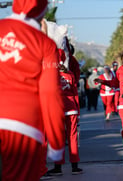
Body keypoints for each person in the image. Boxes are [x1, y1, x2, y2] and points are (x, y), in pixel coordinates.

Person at [0, 1, 65, 180]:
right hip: (22, 125)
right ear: (42, 10)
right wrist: (57, 143)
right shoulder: (45, 43)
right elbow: (50, 94)